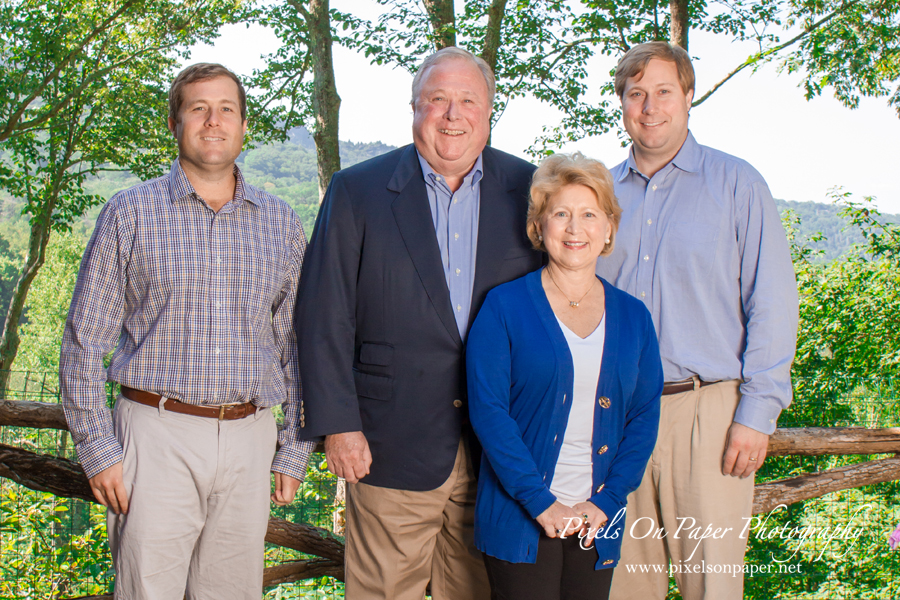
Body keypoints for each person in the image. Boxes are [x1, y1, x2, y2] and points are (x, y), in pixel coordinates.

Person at [294, 46, 543, 600]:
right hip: (388, 442)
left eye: (467, 100)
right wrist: (338, 423)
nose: (453, 114)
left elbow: (556, 309)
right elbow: (322, 314)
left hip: (500, 451)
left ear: (489, 109)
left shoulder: (531, 190)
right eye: (437, 99)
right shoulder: (356, 192)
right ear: (414, 108)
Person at [59, 63, 313, 599]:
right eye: (198, 108)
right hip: (156, 432)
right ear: (175, 124)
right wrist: (98, 448)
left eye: (226, 109)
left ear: (244, 126)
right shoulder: (129, 214)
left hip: (250, 438)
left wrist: (293, 447)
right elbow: (85, 340)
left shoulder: (281, 222)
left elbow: (297, 345)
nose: (213, 120)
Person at [596, 42, 799, 600]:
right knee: (622, 588)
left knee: (711, 587)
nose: (650, 106)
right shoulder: (598, 197)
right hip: (614, 418)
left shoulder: (738, 185)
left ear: (689, 97)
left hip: (707, 414)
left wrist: (757, 413)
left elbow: (773, 302)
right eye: (636, 94)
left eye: (664, 91)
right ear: (622, 104)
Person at [466, 153, 663, 600]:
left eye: (589, 215)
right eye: (561, 214)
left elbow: (644, 417)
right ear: (539, 228)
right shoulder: (503, 307)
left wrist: (607, 502)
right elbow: (490, 413)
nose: (576, 229)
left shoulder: (634, 318)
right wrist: (541, 502)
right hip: (521, 514)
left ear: (609, 228)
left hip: (598, 517)